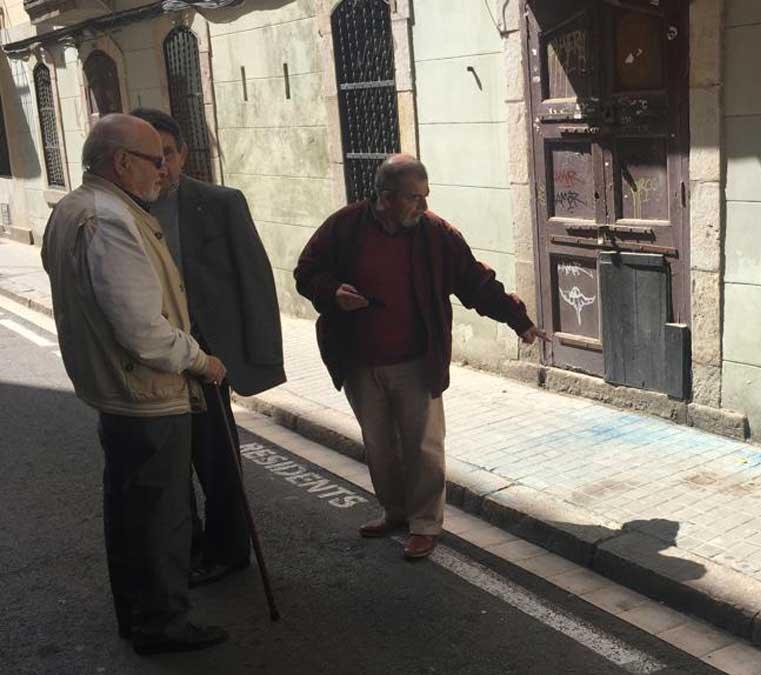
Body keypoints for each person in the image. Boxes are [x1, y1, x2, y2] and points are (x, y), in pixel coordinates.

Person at [294, 154, 547, 559]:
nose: (424, 206)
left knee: (423, 447)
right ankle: (395, 512)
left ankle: (425, 524)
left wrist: (518, 320)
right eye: (414, 198)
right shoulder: (344, 226)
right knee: (379, 446)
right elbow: (306, 272)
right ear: (386, 196)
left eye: (426, 197)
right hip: (360, 362)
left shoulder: (436, 234)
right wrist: (332, 293)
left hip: (416, 362)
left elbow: (475, 281)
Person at [40, 113, 229, 654]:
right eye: (155, 159)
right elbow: (143, 332)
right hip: (146, 397)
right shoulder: (112, 219)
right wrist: (202, 361)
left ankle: (140, 616)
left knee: (130, 512)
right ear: (121, 162)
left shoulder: (74, 209)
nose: (166, 170)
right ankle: (162, 624)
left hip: (116, 394)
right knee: (160, 519)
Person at [131, 108, 286, 588]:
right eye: (150, 158)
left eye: (168, 155)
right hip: (150, 362)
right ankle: (188, 546)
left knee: (218, 463)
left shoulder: (220, 203)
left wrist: (255, 358)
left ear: (183, 155)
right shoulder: (124, 211)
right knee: (165, 469)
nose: (161, 168)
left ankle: (227, 550)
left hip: (205, 361)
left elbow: (255, 283)